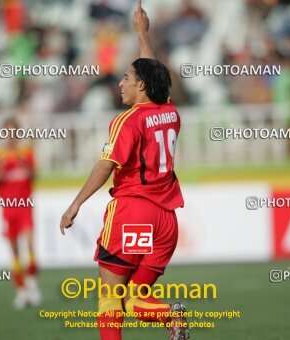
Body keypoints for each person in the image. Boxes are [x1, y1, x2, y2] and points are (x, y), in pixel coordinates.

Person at [60, 1, 189, 339]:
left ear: (142, 85)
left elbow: (106, 165)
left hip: (133, 208)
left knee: (109, 298)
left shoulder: (127, 121)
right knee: (135, 299)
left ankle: (166, 315)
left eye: (128, 78)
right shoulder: (170, 112)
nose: (120, 83)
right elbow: (156, 74)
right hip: (167, 219)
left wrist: (76, 203)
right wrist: (142, 34)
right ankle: (169, 315)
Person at [0, 118, 41, 309]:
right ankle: (21, 290)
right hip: (8, 208)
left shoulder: (26, 153)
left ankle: (33, 285)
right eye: (7, 132)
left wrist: (23, 164)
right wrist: (1, 169)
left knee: (29, 244)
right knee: (14, 250)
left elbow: (34, 176)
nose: (10, 136)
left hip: (25, 205)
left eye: (14, 132)